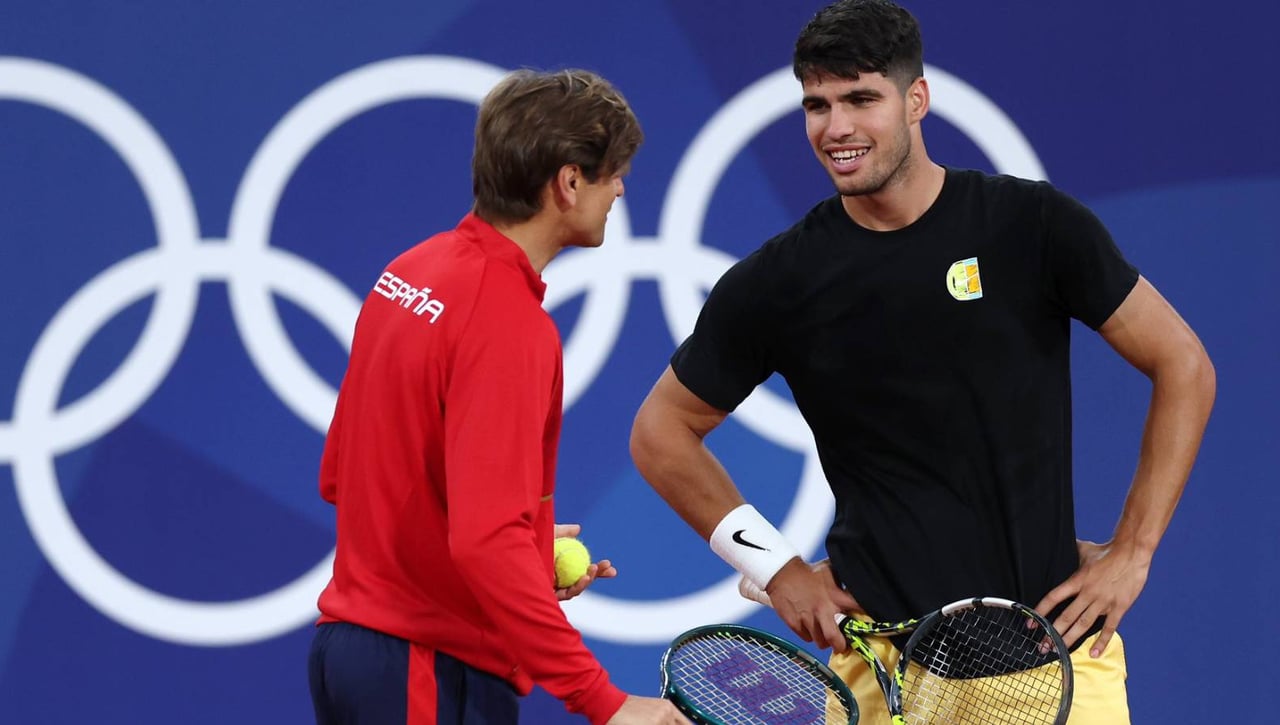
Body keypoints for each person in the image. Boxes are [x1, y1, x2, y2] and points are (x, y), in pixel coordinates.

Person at [628, 1, 1215, 722]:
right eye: (816, 104)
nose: (835, 128)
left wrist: (1134, 551)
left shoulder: (1031, 225)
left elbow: (1183, 363)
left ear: (916, 100)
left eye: (860, 99)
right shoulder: (779, 281)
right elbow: (660, 430)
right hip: (882, 674)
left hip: (1057, 661)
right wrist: (775, 569)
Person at [308, 68, 689, 725]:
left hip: (349, 657)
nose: (621, 189)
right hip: (427, 668)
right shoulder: (509, 323)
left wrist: (525, 547)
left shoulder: (410, 271)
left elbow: (342, 475)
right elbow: (483, 541)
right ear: (569, 183)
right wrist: (605, 701)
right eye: (614, 174)